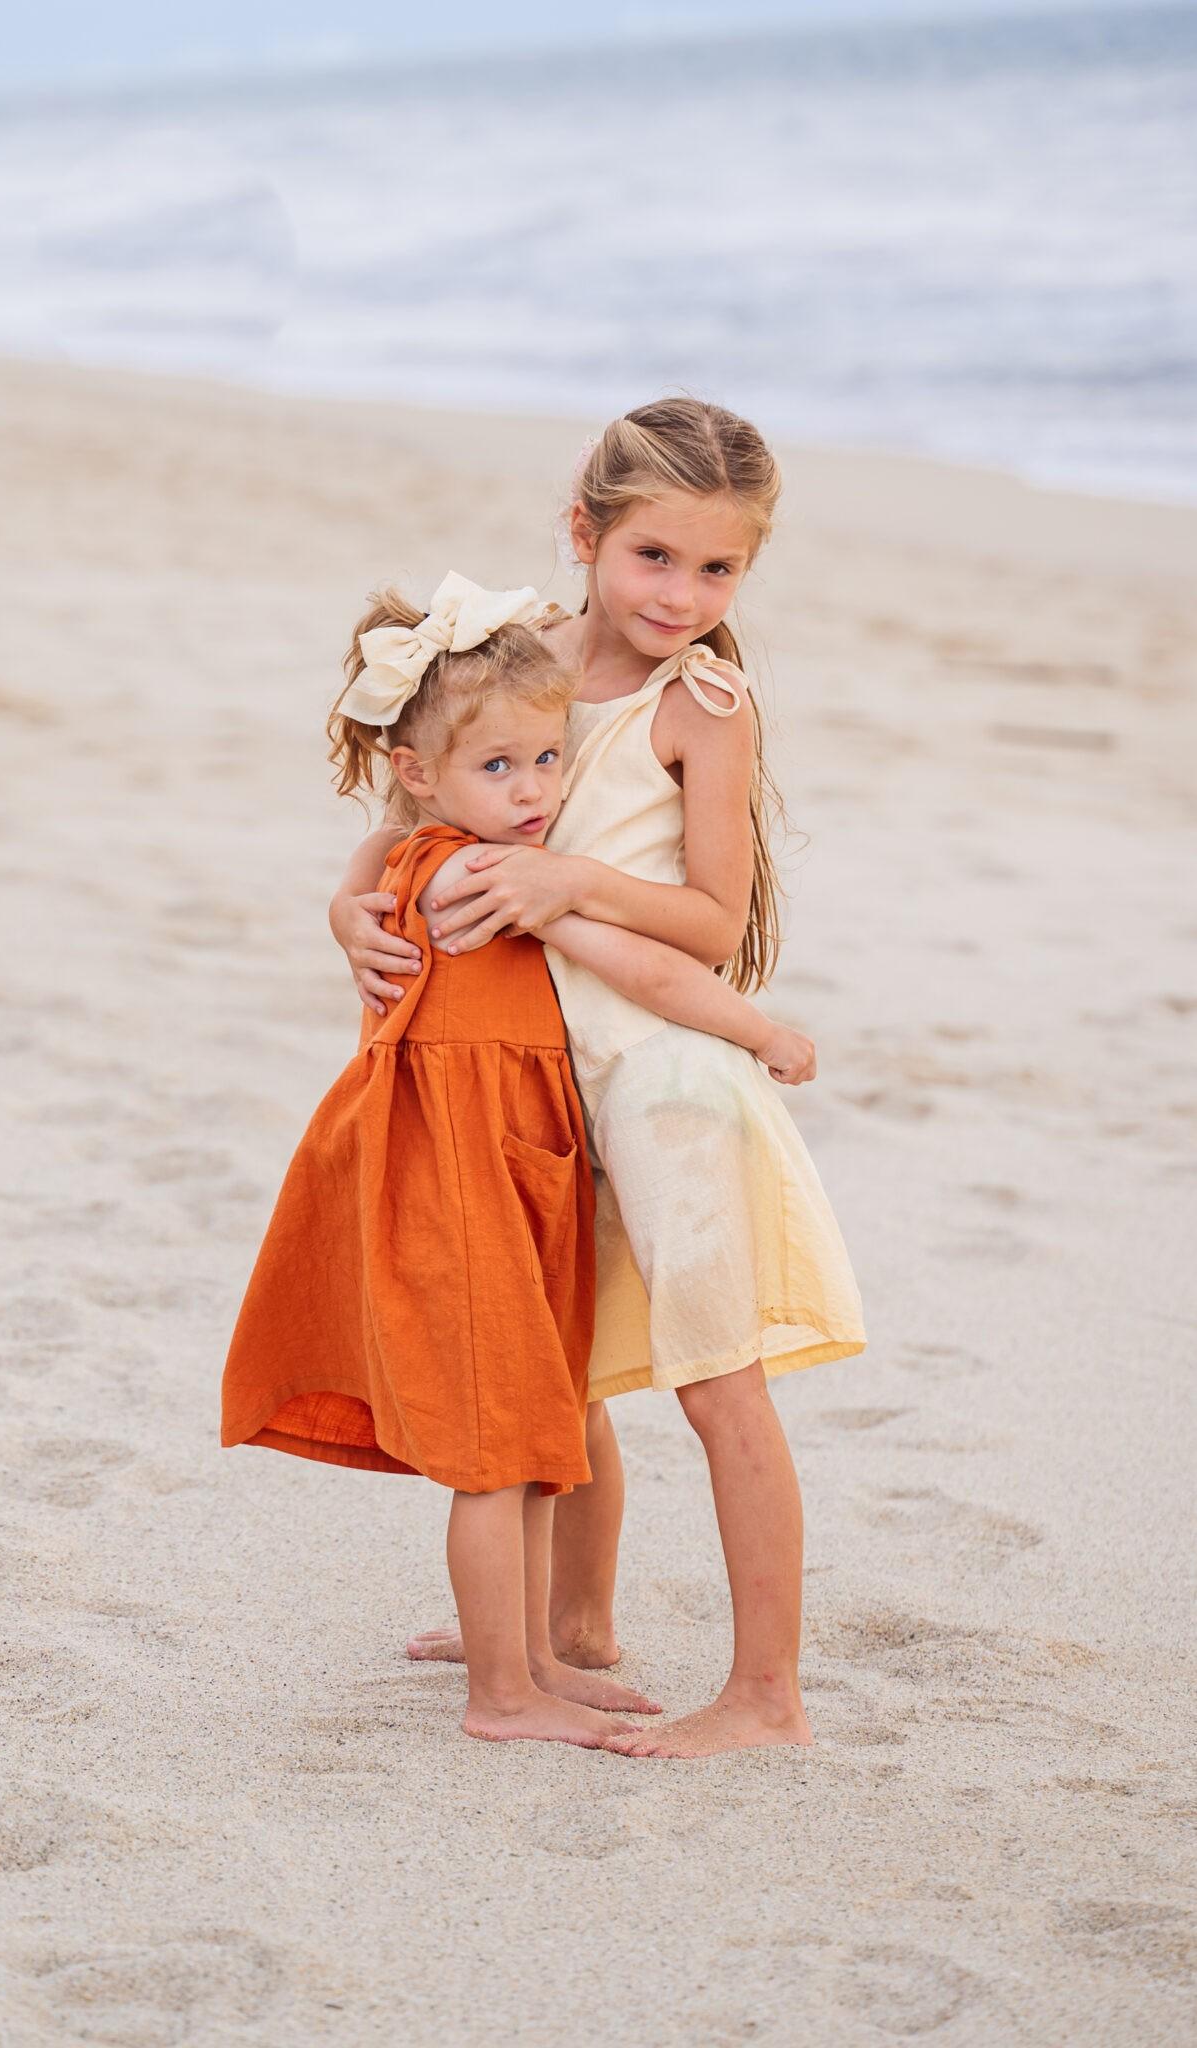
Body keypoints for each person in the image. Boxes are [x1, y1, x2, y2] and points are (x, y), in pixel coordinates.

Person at [330, 403, 866, 1759]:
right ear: (583, 533)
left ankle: (766, 1695)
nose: (678, 596)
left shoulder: (700, 706)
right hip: (526, 1076)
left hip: (660, 1073)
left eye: (716, 568)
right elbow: (409, 817)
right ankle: (562, 1630)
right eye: (652, 556)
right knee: (553, 1369)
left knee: (715, 1383)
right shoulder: (519, 662)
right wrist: (347, 913)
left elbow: (710, 923)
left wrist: (562, 879)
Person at [224, 569, 819, 1751]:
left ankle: (540, 1647)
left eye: (547, 761)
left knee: (540, 1413)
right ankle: (507, 1685)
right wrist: (760, 1030)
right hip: (467, 1165)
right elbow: (643, 966)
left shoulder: (481, 831)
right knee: (501, 1434)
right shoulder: (481, 869)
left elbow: (388, 851)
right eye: (501, 767)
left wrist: (351, 899)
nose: (536, 789)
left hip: (524, 1146)